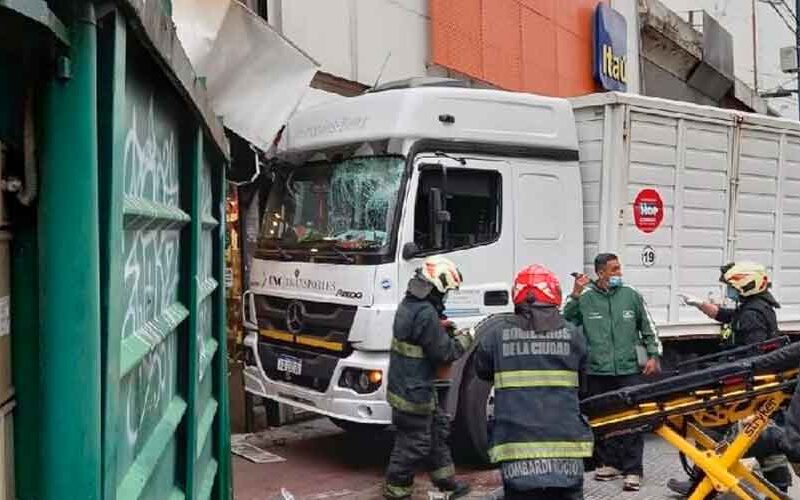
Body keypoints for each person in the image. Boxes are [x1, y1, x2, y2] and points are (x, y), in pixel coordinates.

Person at [669, 262, 792, 495]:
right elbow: (729, 317)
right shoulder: (756, 306)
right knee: (762, 436)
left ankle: (701, 483)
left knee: (714, 432)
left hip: (747, 384)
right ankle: (779, 487)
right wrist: (701, 305)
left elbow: (753, 354)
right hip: (758, 383)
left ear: (745, 286)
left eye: (731, 286)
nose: (729, 291)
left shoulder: (752, 314)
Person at [473, 264, 593, 500]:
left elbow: (483, 371)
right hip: (566, 450)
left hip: (517, 452)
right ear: (554, 296)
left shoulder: (495, 336)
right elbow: (584, 385)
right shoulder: (574, 334)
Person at [563, 253, 662, 492]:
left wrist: (653, 355)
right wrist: (575, 294)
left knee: (632, 419)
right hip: (597, 370)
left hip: (628, 368)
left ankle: (633, 470)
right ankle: (608, 463)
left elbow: (648, 327)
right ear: (601, 273)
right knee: (601, 419)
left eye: (619, 269)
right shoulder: (585, 298)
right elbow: (565, 321)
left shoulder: (631, 295)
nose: (619, 273)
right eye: (614, 269)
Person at [383, 256, 473, 500]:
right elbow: (445, 352)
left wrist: (438, 329)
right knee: (414, 443)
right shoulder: (425, 314)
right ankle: (396, 490)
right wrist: (466, 338)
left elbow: (421, 339)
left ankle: (446, 481)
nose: (445, 299)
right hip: (415, 393)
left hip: (406, 386)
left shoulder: (408, 305)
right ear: (436, 287)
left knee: (435, 433)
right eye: (445, 292)